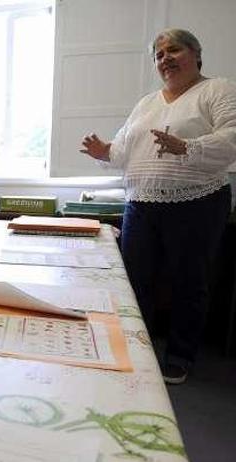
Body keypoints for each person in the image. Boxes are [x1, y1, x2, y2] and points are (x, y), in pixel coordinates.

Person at [80, 28, 236, 384]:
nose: (165, 59)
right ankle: (137, 349)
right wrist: (105, 152)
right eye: (159, 55)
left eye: (174, 50)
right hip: (140, 204)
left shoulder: (217, 89)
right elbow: (123, 150)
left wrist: (189, 148)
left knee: (188, 282)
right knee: (134, 281)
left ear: (196, 54)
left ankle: (179, 356)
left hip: (197, 203)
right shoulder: (146, 103)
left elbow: (232, 138)